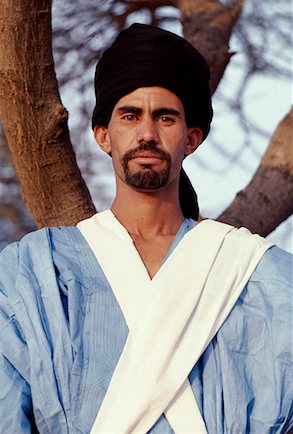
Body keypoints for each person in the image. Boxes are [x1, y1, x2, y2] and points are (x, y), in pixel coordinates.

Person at [0, 23, 292, 434]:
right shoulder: (31, 273)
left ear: (191, 139)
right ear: (104, 135)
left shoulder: (262, 275)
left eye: (166, 118)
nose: (147, 134)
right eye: (130, 115)